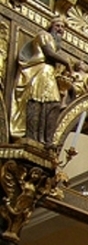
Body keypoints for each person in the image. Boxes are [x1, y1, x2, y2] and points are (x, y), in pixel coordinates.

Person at [11, 16, 72, 148]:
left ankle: (46, 139)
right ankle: (32, 136)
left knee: (52, 105)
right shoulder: (43, 35)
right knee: (37, 102)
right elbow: (48, 53)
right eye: (57, 26)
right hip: (40, 72)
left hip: (48, 73)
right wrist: (66, 63)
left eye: (62, 27)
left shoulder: (56, 44)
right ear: (51, 26)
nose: (60, 29)